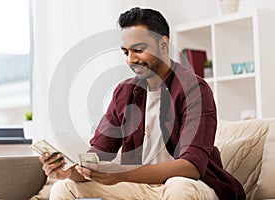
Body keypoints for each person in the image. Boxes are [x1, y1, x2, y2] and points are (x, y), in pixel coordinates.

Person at [40, 7, 246, 200]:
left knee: (179, 187)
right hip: (139, 185)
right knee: (64, 187)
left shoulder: (194, 89)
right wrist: (68, 171)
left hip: (192, 184)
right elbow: (96, 156)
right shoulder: (124, 92)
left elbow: (191, 166)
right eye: (125, 52)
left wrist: (122, 173)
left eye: (138, 50)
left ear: (163, 45)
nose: (131, 59)